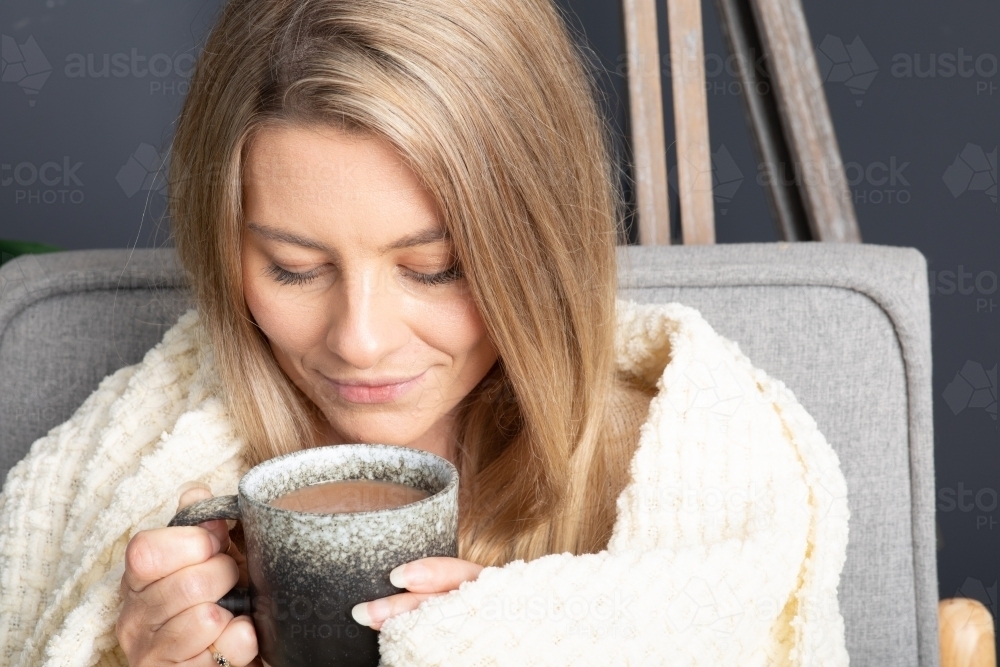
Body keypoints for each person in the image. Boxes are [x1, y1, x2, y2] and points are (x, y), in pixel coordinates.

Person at [0, 0, 850, 665]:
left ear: (540, 244)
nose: (361, 341)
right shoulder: (144, 471)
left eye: (435, 267)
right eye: (295, 267)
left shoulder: (703, 471)